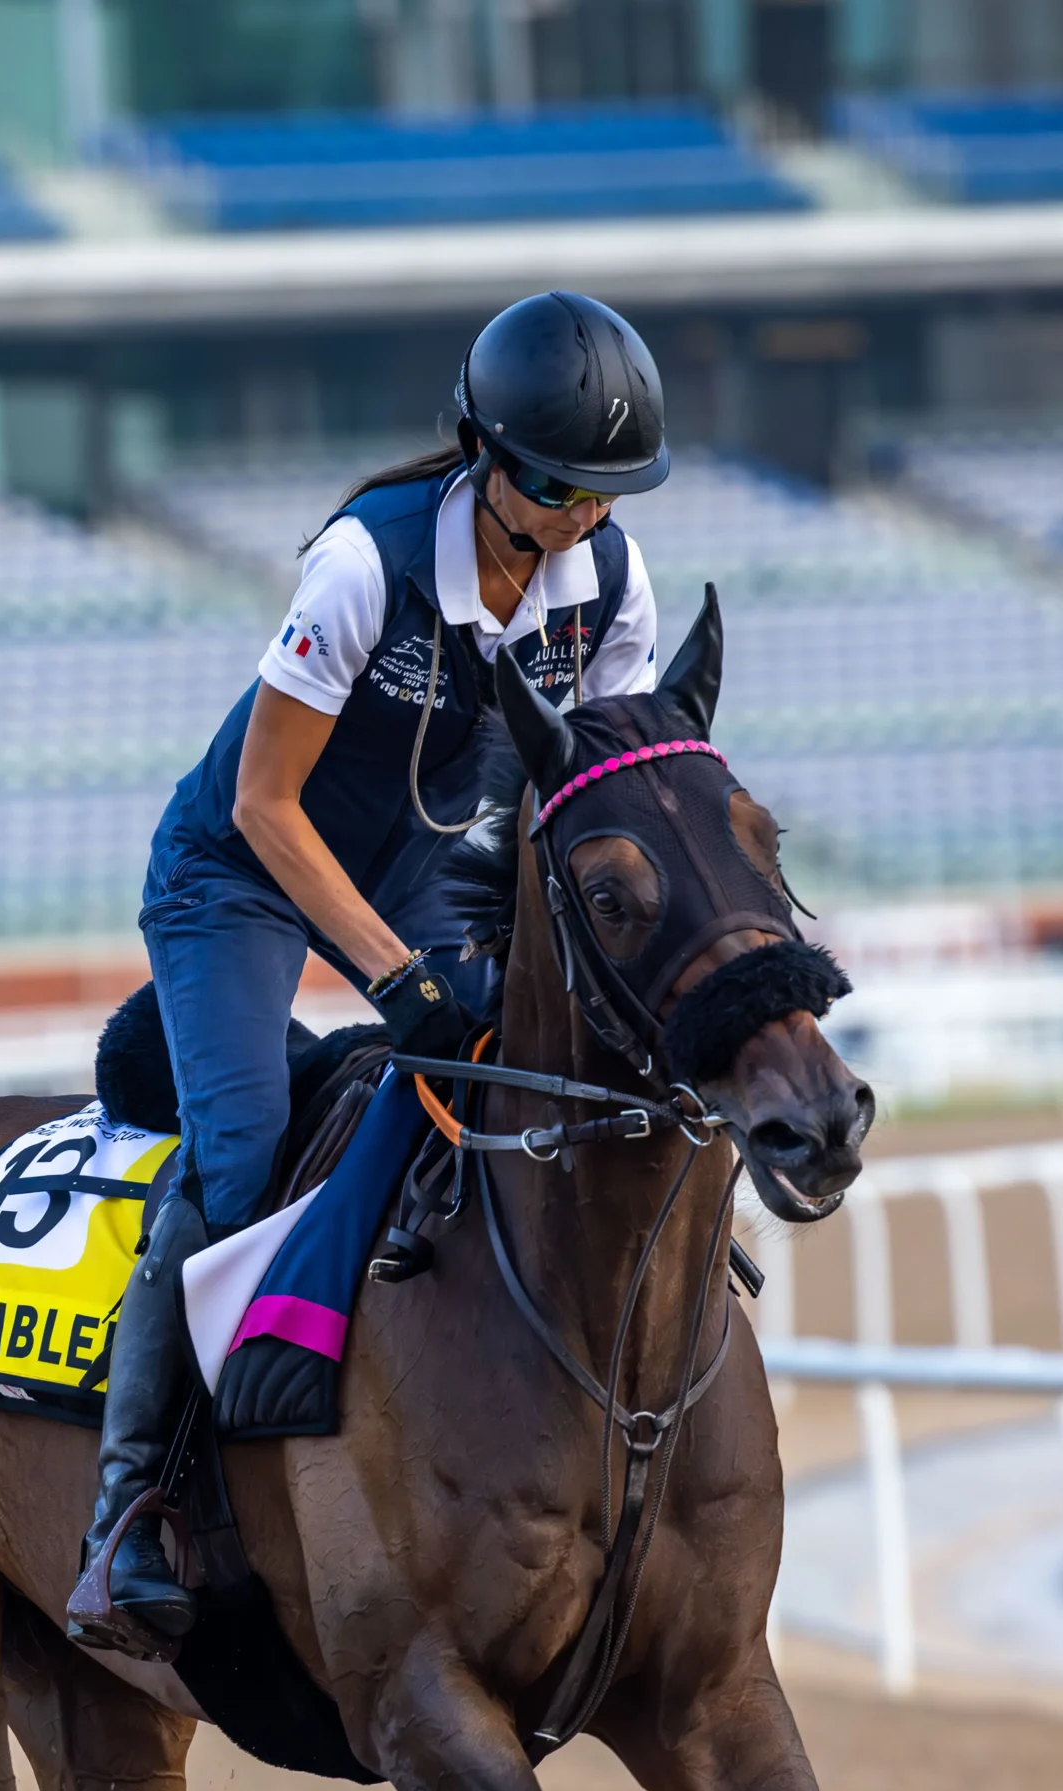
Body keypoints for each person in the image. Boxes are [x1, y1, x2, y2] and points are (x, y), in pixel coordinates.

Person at [69, 290, 672, 1658]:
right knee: (243, 1154)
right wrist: (399, 974)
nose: (581, 513)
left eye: (607, 491)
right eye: (553, 483)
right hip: (239, 867)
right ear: (483, 451)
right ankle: (127, 1516)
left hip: (423, 861)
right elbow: (270, 811)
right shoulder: (361, 564)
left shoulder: (615, 584)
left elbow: (591, 796)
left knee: (530, 1080)